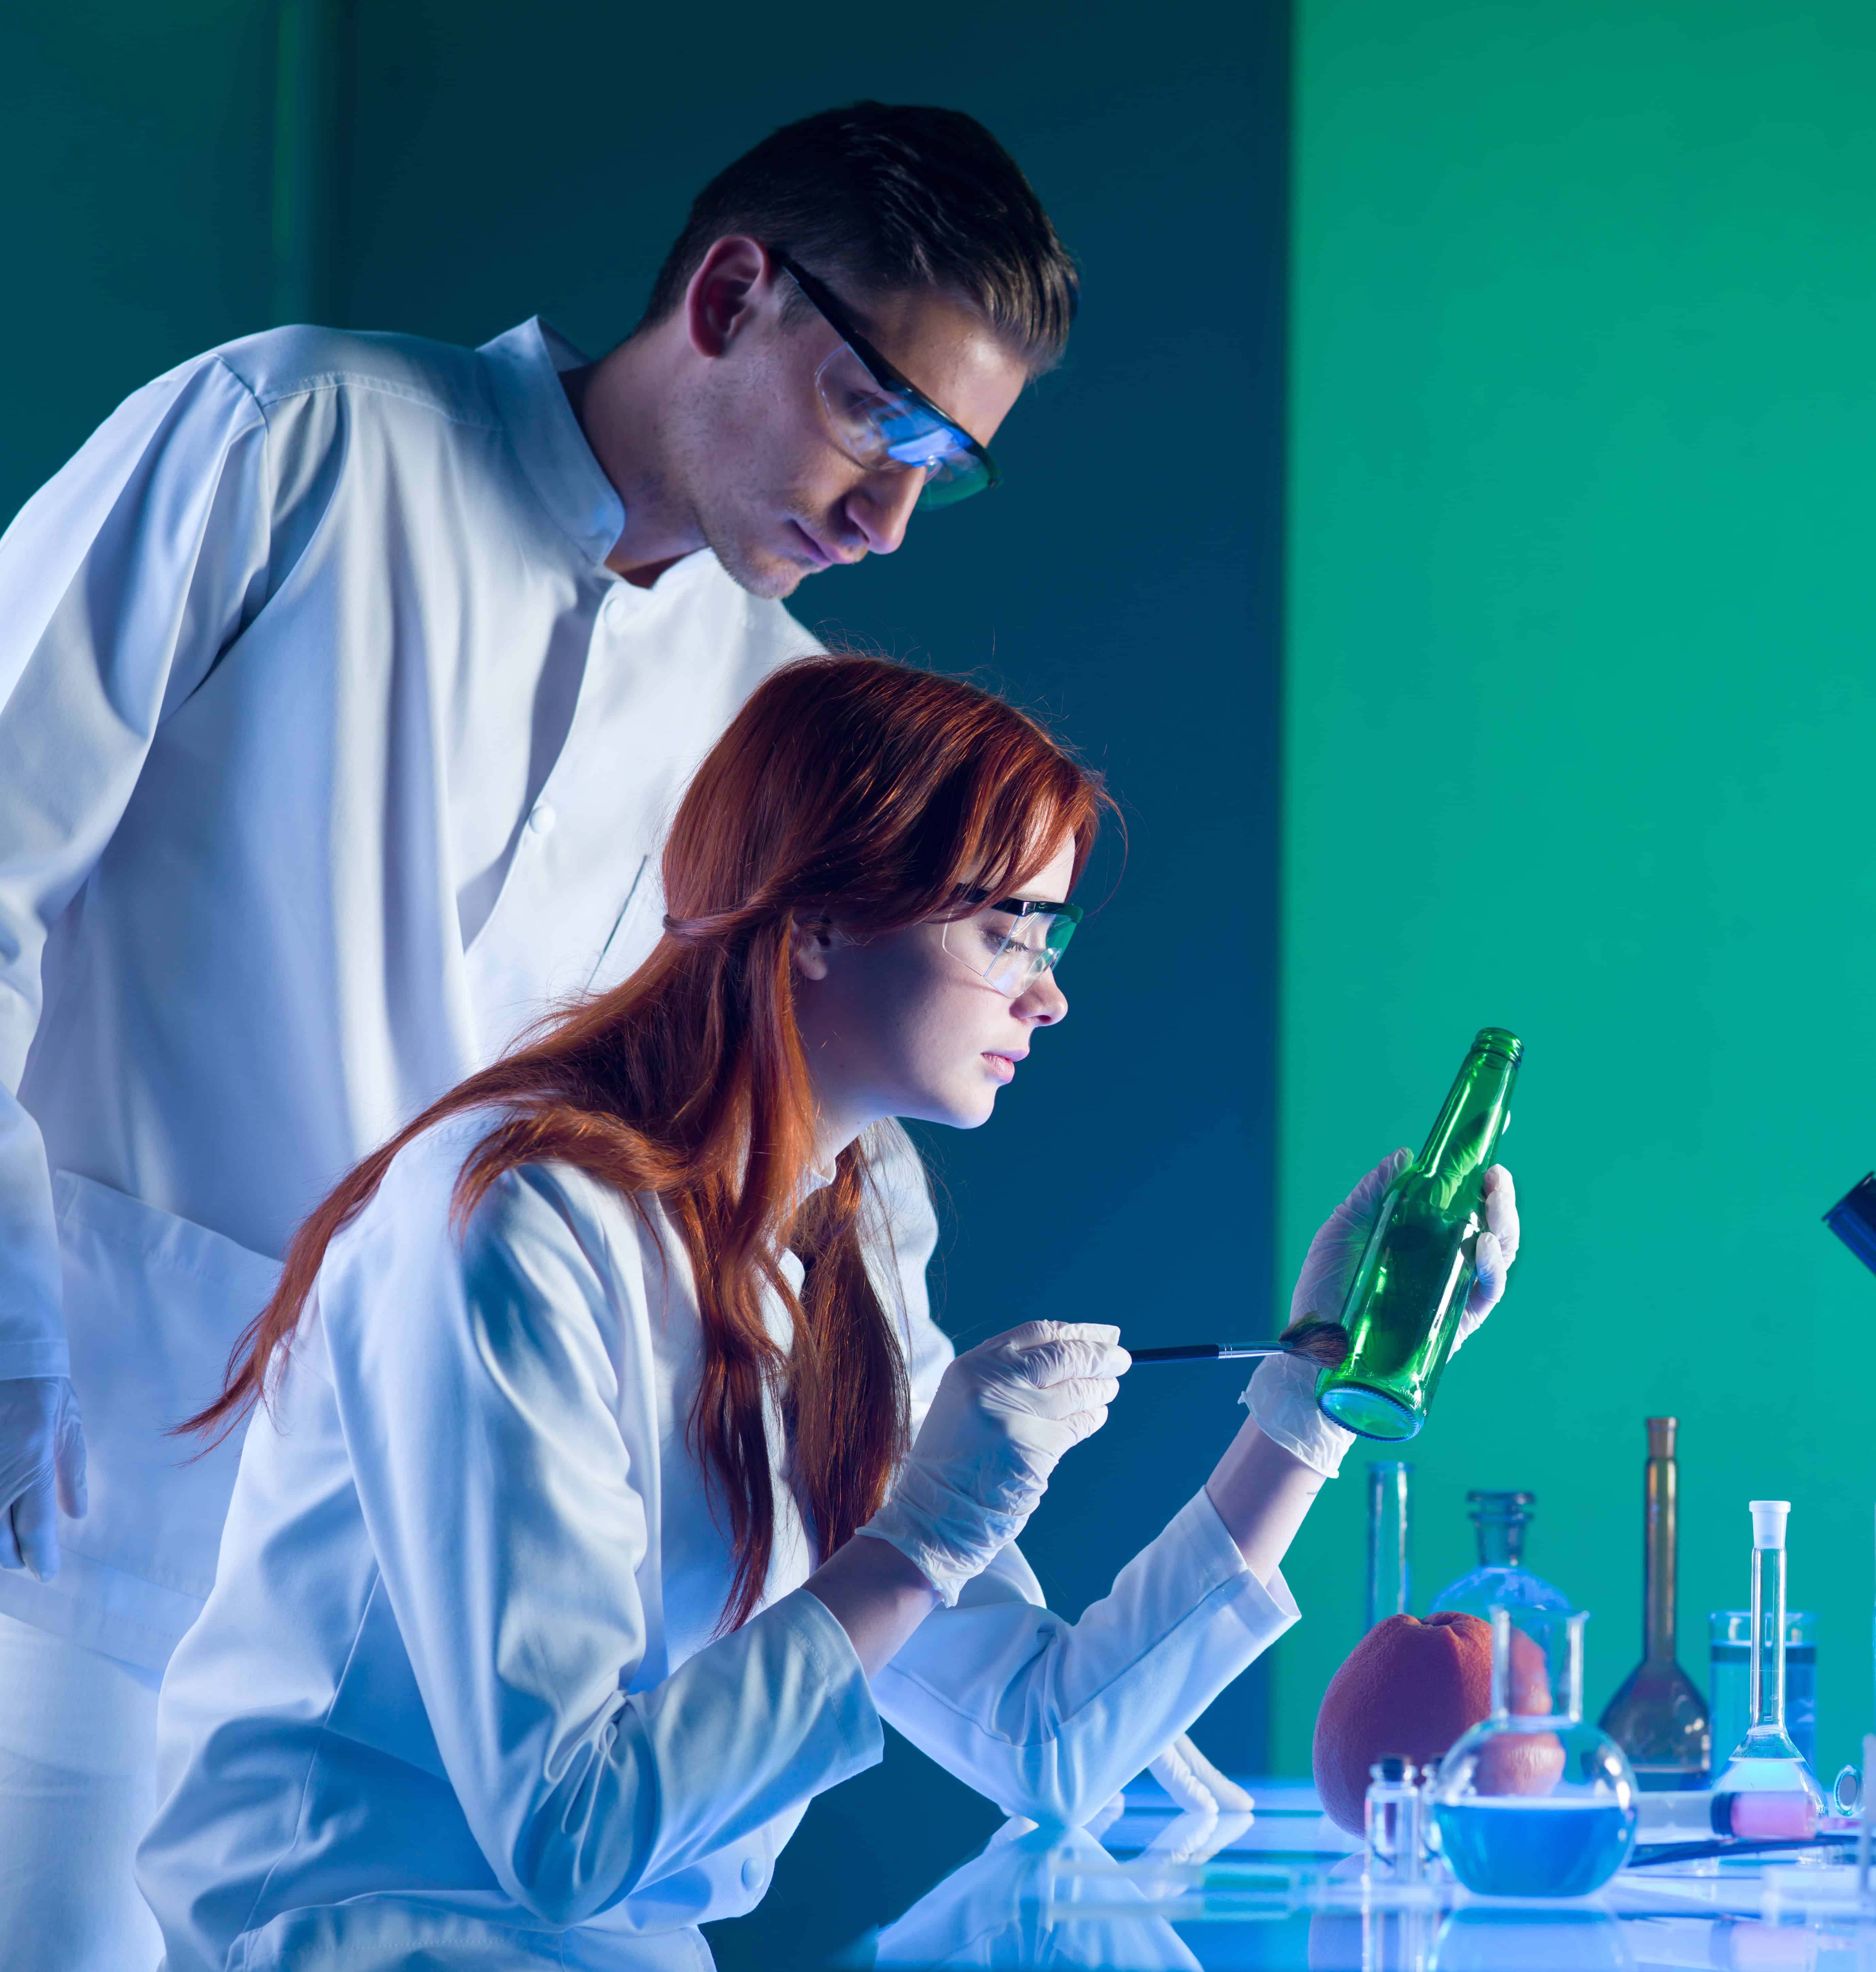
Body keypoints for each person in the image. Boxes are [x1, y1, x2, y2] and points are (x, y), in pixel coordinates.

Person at [0, 103, 1075, 1965]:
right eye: (874, 418)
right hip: (72, 1505)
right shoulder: (290, 440)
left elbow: (746, 1146)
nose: (888, 517)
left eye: (945, 470)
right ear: (732, 291)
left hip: (420, 1649)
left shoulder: (775, 706)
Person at [137, 657, 1521, 1970]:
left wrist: (1314, 1394)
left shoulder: (851, 1216)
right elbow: (566, 1831)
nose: (1050, 994)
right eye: (1003, 929)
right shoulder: (514, 1221)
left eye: (1050, 933)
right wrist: (917, 1541)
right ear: (814, 926)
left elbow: (1045, 1744)